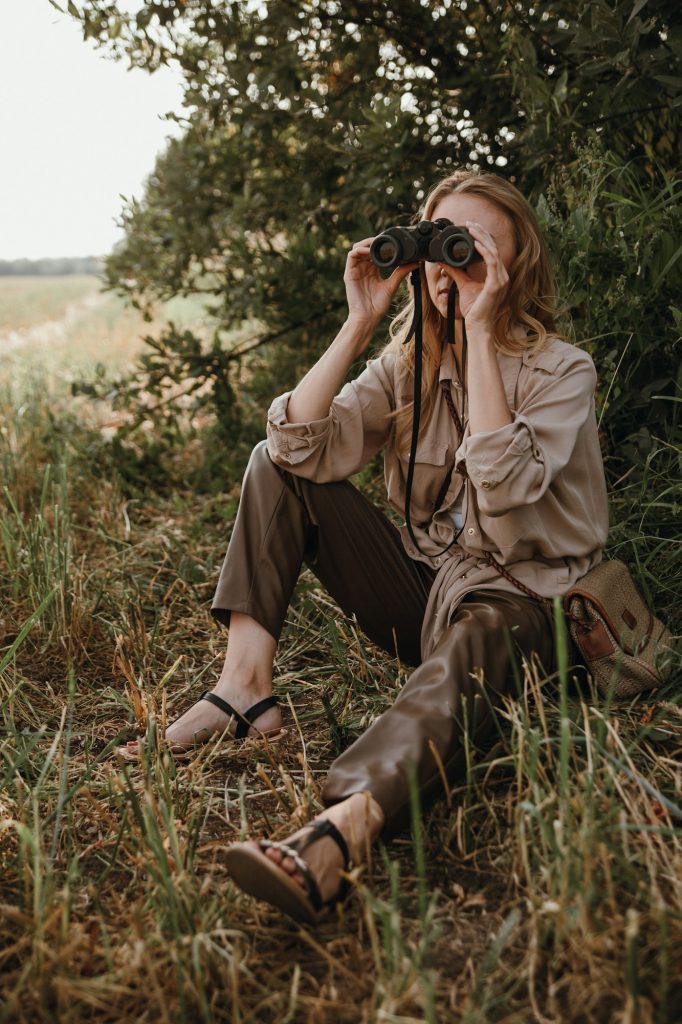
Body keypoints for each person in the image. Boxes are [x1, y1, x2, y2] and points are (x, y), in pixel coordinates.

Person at [121, 171, 609, 925]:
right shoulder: (406, 366)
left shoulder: (563, 371)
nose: (449, 268)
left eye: (473, 248)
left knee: (481, 632)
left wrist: (481, 331)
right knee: (273, 465)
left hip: (525, 609)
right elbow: (297, 444)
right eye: (439, 245)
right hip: (432, 596)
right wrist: (361, 321)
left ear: (515, 268)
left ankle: (344, 826)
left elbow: (506, 487)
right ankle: (245, 690)